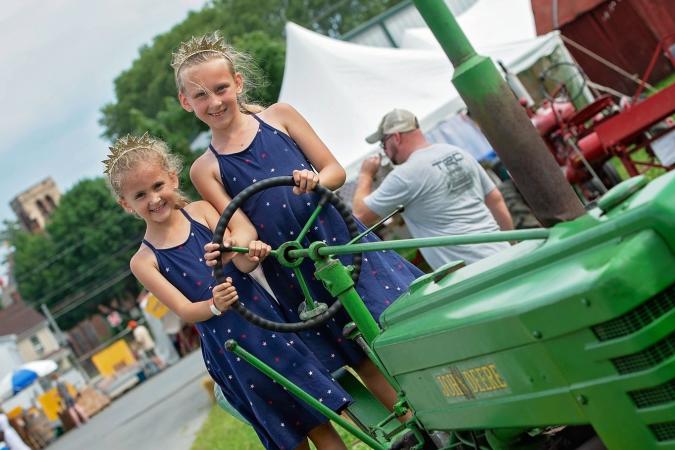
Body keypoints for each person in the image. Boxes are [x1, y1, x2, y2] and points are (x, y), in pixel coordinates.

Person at [173, 32, 423, 415]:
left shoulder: (281, 116)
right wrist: (238, 251)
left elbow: (335, 171)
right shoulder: (205, 168)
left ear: (237, 83)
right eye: (201, 95)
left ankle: (446, 404)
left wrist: (315, 181)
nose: (214, 101)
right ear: (185, 102)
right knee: (358, 355)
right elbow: (244, 230)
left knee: (398, 321)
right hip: (294, 269)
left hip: (338, 241)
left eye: (220, 88)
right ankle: (415, 424)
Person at [103, 132, 350, 450]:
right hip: (233, 350)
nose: (153, 199)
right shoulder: (144, 260)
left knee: (319, 421)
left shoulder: (204, 212)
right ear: (126, 205)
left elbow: (242, 262)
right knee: (289, 436)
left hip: (267, 326)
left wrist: (251, 251)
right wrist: (215, 305)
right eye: (139, 195)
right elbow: (186, 310)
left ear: (172, 179)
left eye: (157, 186)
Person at [352, 108, 514, 269]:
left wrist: (365, 175)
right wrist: (512, 246)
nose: (385, 151)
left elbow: (359, 215)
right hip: (502, 253)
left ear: (396, 137)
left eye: (383, 143)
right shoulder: (456, 152)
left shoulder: (405, 175)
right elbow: (495, 199)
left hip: (473, 272)